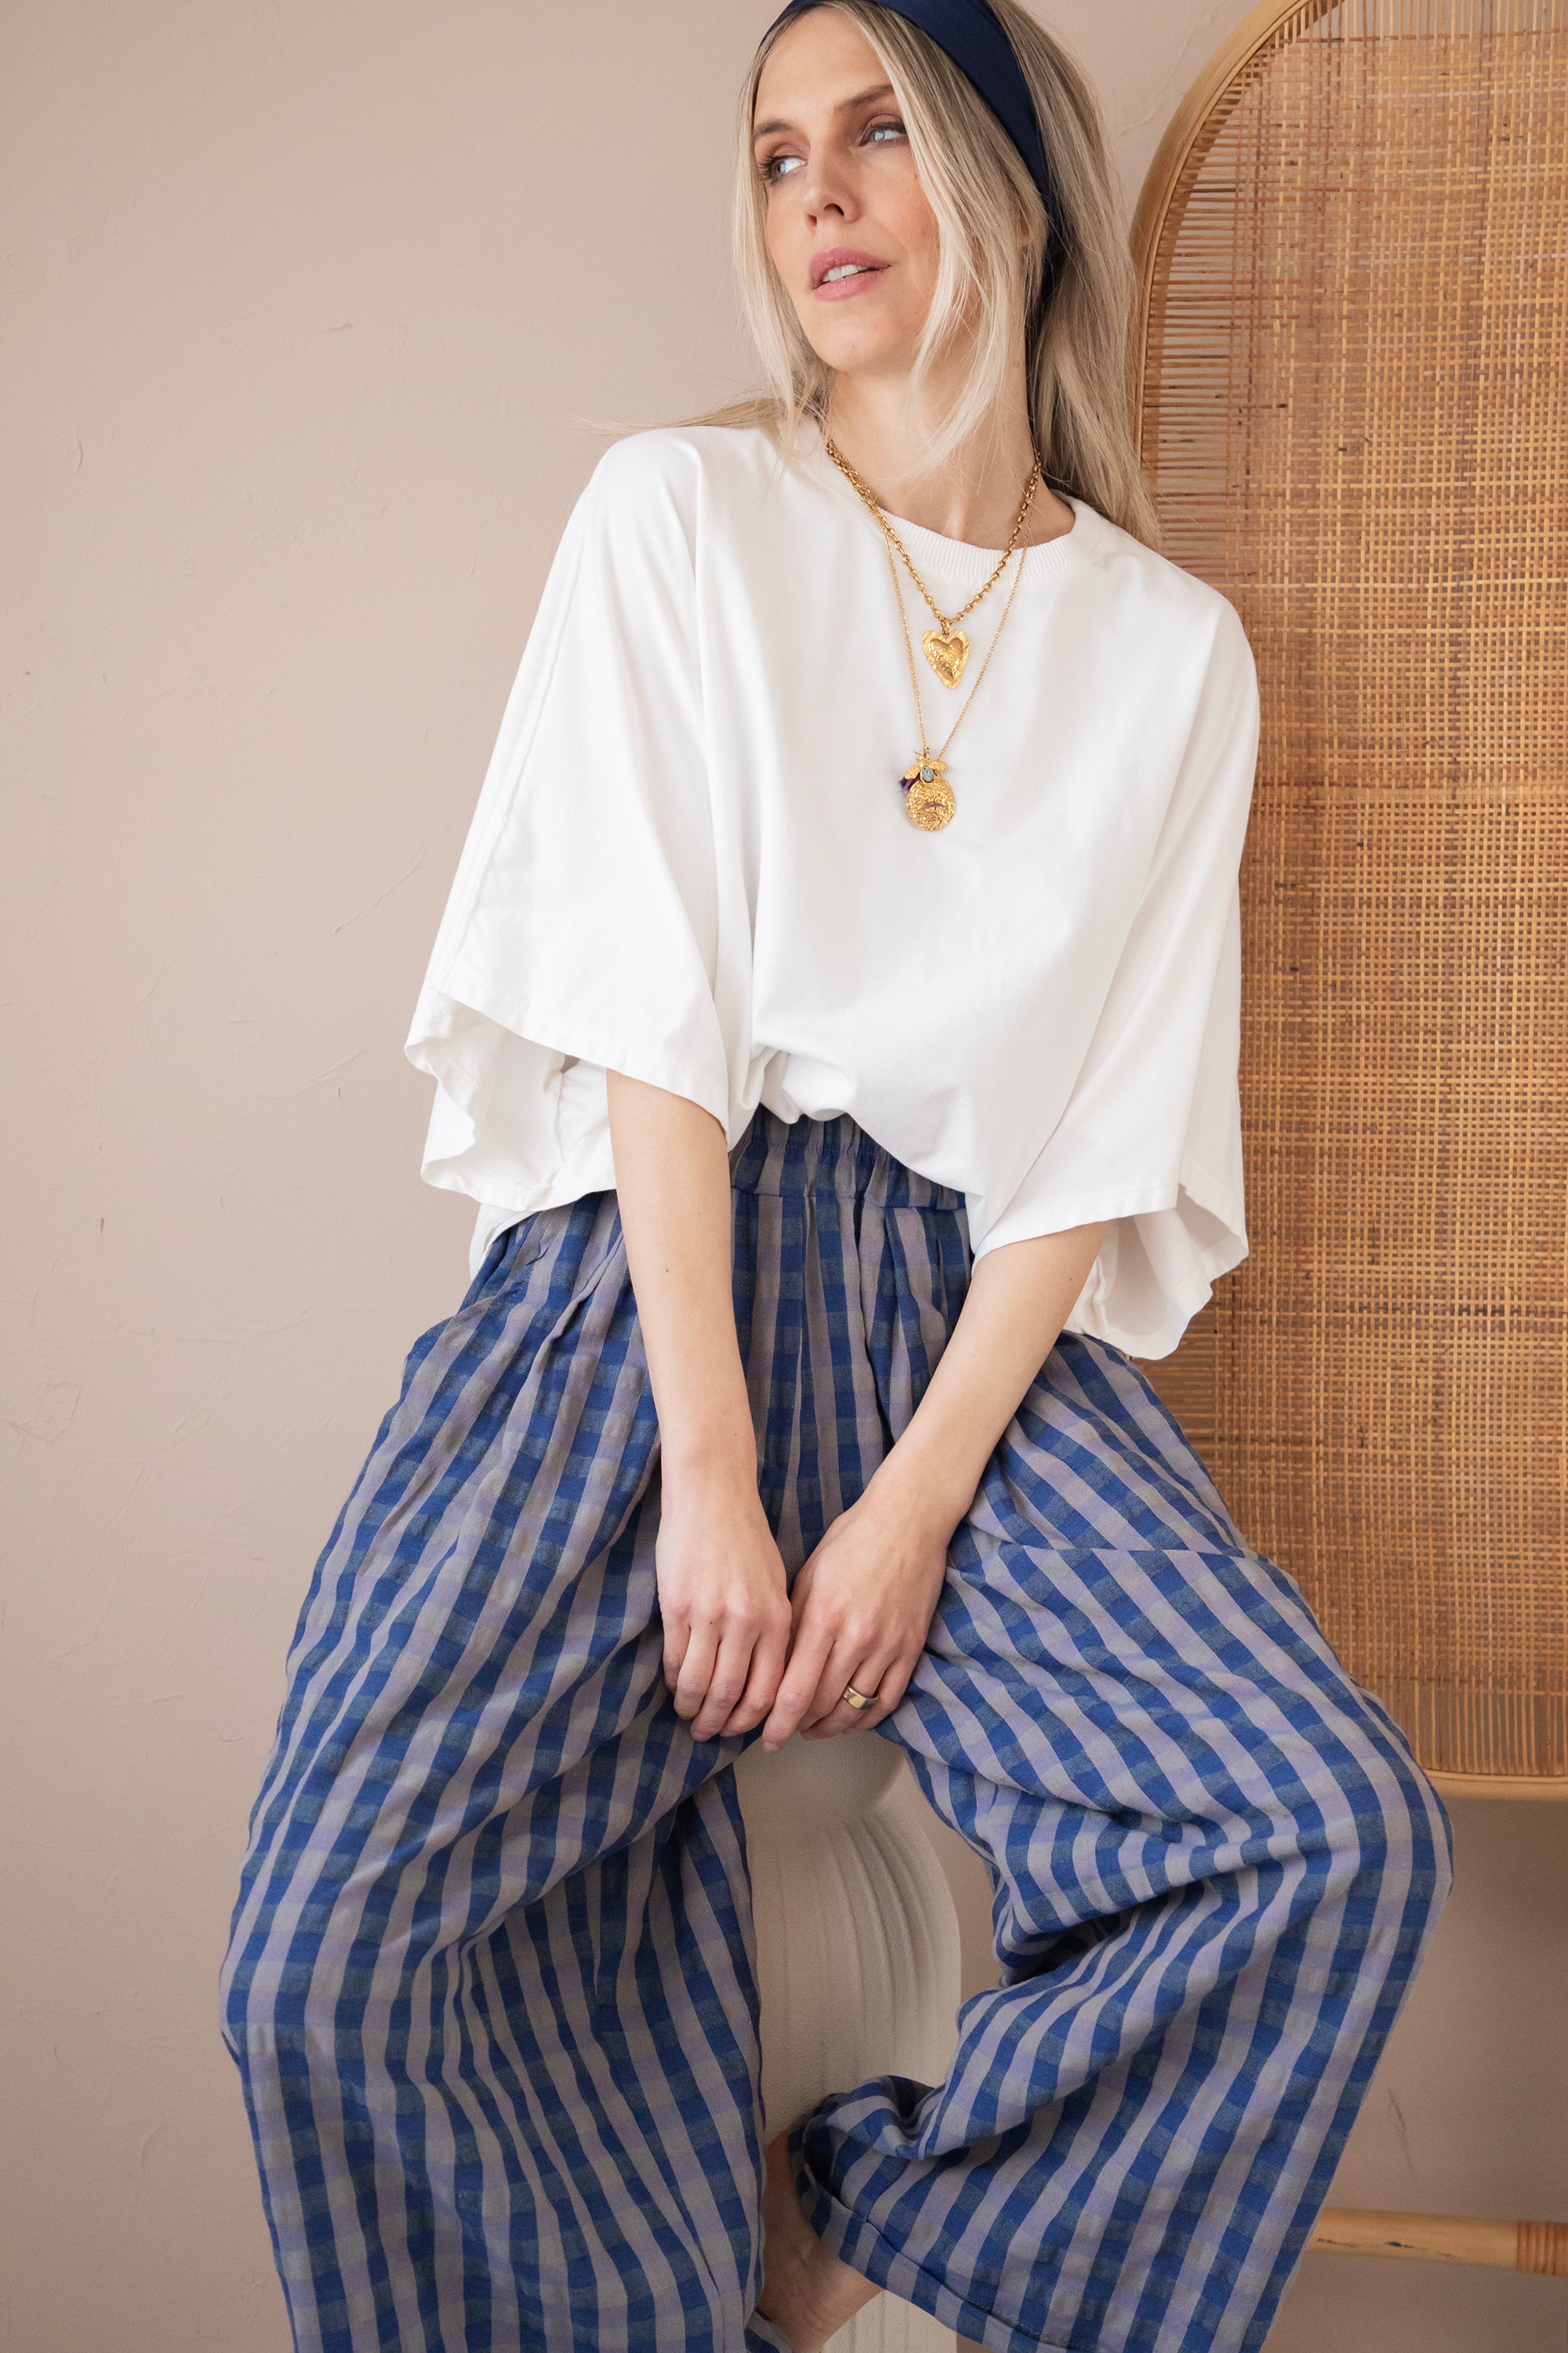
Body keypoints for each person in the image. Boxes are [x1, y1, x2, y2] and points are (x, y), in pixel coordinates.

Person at [220, 3, 1454, 2348]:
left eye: (879, 131)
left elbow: (1101, 1133)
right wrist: (707, 1462)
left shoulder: (1173, 655)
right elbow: (647, 1022)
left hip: (970, 1335)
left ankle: (864, 2224)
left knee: (1329, 1833)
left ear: (1012, 186)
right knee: (322, 1964)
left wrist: (908, 1510)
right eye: (780, 152)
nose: (820, 195)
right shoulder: (677, 518)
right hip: (634, 1295)